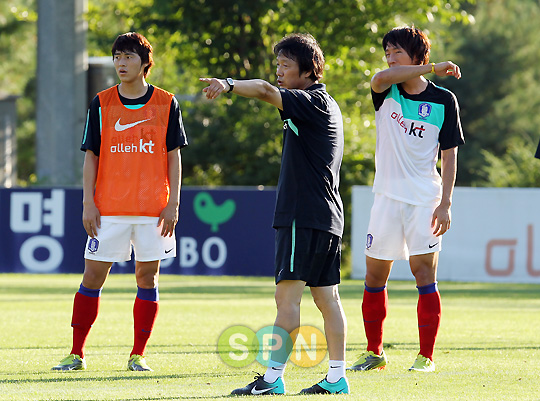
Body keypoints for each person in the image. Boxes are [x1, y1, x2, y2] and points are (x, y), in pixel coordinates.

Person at [200, 33, 348, 395]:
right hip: (326, 215)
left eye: (286, 65)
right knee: (328, 299)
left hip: (303, 216)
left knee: (287, 299)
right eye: (277, 64)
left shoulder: (310, 101)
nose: (279, 72)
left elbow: (266, 92)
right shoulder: (325, 102)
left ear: (308, 69)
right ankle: (337, 378)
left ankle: (272, 378)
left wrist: (229, 84)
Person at [52, 32, 188, 372]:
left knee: (147, 278)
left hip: (153, 209)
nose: (121, 63)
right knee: (92, 276)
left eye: (128, 57)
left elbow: (174, 158)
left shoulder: (167, 103)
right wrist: (88, 203)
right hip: (109, 208)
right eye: (117, 57)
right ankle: (76, 353)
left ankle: (138, 355)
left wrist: (173, 203)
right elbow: (91, 157)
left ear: (145, 63)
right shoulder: (101, 103)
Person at [347, 26, 464, 373]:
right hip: (385, 198)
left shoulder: (445, 101)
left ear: (417, 55)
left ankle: (425, 357)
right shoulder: (386, 90)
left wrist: (446, 203)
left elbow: (450, 155)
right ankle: (374, 353)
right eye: (387, 51)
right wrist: (432, 68)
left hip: (425, 199)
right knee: (374, 276)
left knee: (423, 273)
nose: (389, 57)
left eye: (397, 51)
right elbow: (382, 76)